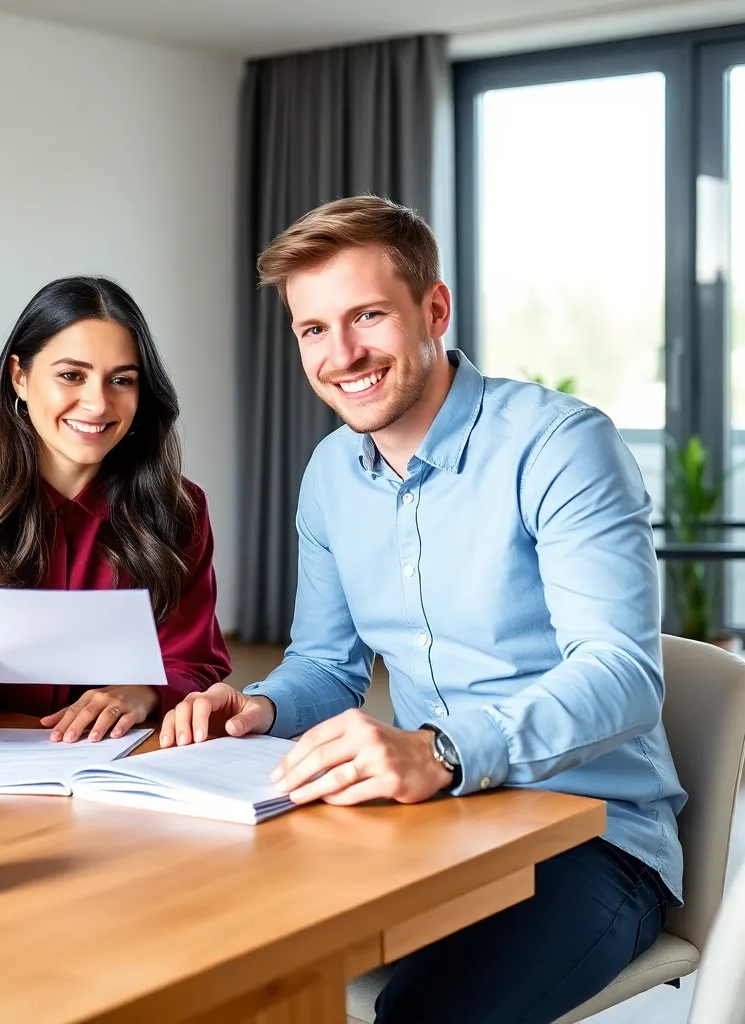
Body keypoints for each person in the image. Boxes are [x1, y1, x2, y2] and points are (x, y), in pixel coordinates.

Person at [161, 196, 685, 1023]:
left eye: (369, 315)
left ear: (433, 309)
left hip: (592, 837)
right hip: (427, 824)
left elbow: (622, 675)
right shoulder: (331, 475)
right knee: (202, 952)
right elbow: (329, 667)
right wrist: (263, 705)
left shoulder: (560, 444)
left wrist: (441, 751)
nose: (343, 355)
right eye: (313, 329)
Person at [0, 276, 230, 742]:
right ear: (20, 376)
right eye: (71, 375)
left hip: (123, 770)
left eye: (121, 380)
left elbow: (196, 662)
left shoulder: (179, 508)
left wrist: (144, 693)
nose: (97, 404)